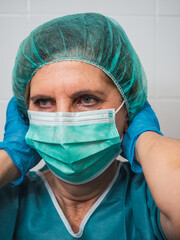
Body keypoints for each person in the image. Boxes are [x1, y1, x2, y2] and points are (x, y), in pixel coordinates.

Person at [0, 12, 179, 240]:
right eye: (44, 102)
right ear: (26, 116)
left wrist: (145, 138)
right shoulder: (9, 198)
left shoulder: (151, 199)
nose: (62, 122)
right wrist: (10, 155)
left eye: (86, 99)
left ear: (127, 109)